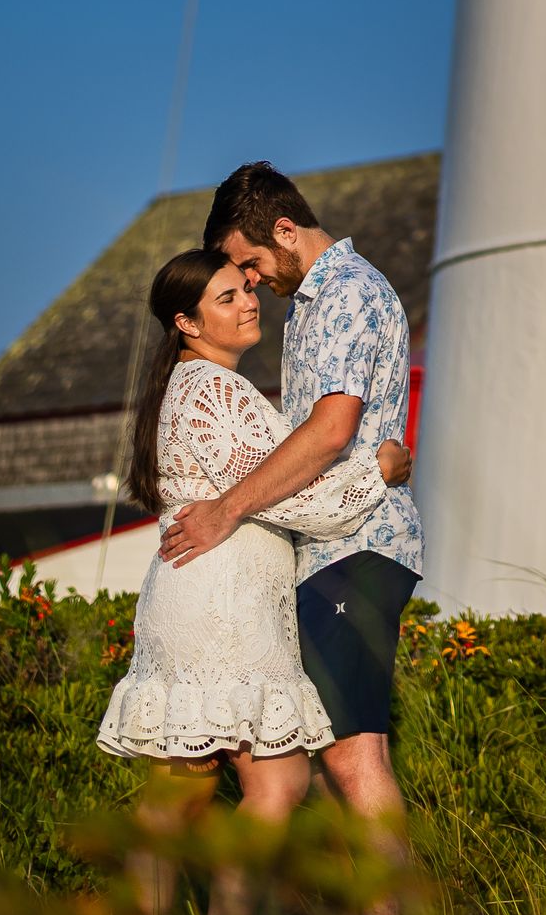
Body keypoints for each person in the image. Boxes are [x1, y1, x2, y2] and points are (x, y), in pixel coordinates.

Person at [97, 245, 412, 915]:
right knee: (270, 781)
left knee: (187, 792)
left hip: (208, 596)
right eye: (227, 297)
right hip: (222, 606)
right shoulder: (213, 390)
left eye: (245, 289)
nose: (248, 303)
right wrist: (377, 472)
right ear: (187, 323)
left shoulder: (195, 386)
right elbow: (288, 497)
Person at [160, 163, 423, 856]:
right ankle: (362, 911)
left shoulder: (344, 292)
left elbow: (331, 431)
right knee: (329, 763)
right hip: (327, 547)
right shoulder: (312, 300)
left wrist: (225, 510)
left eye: (249, 263)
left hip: (356, 543)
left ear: (284, 230)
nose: (250, 282)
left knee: (352, 755)